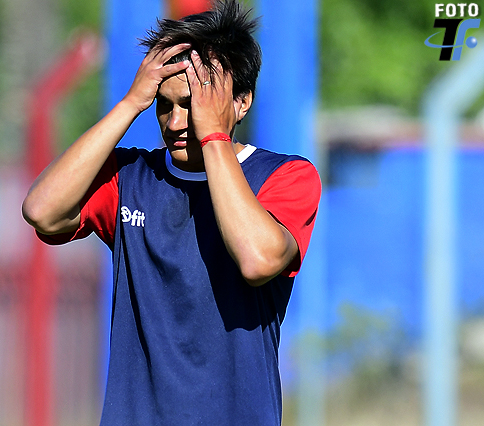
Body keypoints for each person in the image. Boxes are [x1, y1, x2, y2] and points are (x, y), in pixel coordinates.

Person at [22, 0, 321, 424]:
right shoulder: (128, 177)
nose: (177, 122)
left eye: (193, 105)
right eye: (165, 105)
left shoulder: (285, 176)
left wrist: (214, 136)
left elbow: (258, 259)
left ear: (241, 102)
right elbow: (42, 211)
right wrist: (130, 103)